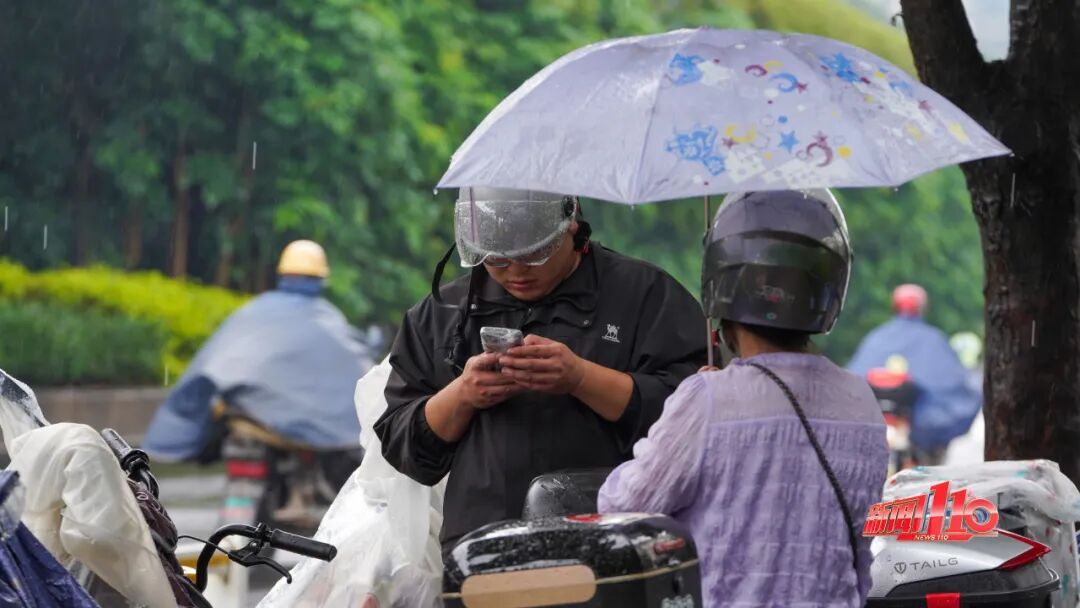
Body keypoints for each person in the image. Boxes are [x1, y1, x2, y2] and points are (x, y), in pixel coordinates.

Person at [374, 187, 707, 555]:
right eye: (498, 259)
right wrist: (464, 394)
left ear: (571, 225)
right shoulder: (443, 314)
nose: (516, 273)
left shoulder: (644, 295)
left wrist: (580, 378)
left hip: (615, 543)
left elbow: (695, 420)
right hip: (482, 548)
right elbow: (403, 446)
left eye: (535, 254)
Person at [597, 189, 888, 607]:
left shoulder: (708, 399)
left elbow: (624, 507)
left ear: (721, 290)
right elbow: (861, 553)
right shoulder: (862, 401)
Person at [143, 239, 375, 461]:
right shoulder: (330, 322)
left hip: (246, 414)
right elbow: (360, 374)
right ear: (321, 278)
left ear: (282, 274)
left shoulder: (251, 313)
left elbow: (211, 364)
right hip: (307, 435)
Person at [846, 284, 982, 464]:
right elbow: (953, 383)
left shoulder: (877, 337)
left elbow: (852, 376)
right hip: (917, 430)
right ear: (922, 307)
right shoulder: (933, 339)